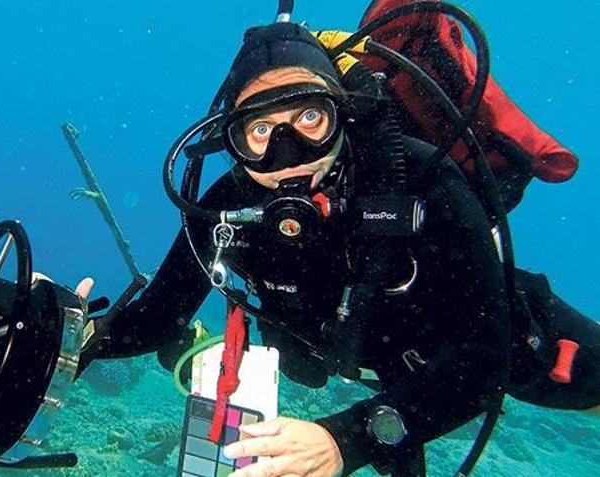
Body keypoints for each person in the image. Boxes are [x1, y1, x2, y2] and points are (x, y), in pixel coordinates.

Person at [74, 20, 599, 477]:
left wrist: (343, 441)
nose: (288, 154)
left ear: (341, 115)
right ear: (232, 141)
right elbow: (159, 317)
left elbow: (487, 355)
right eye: (260, 129)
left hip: (523, 347)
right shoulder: (226, 205)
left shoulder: (418, 178)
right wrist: (78, 333)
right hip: (379, 368)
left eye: (308, 119)